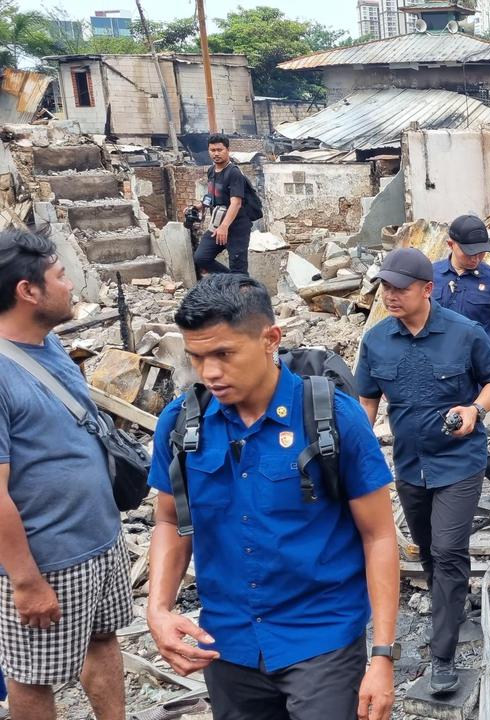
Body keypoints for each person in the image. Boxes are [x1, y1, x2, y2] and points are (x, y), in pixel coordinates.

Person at [147, 274, 399, 719]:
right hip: (227, 644)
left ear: (270, 339)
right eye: (197, 357)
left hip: (320, 640)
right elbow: (170, 520)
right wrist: (158, 608)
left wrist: (382, 656)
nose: (209, 372)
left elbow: (378, 535)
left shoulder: (331, 419)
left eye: (224, 354)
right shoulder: (181, 424)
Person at [354, 248, 490, 695]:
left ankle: (443, 656)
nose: (390, 295)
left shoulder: (464, 333)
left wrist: (476, 409)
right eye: (385, 287)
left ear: (427, 289)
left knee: (449, 550)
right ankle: (451, 604)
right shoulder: (376, 340)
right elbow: (367, 401)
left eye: (400, 288)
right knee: (428, 551)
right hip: (409, 465)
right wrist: (356, 453)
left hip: (460, 461)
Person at [0, 230, 128, 720]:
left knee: (103, 639)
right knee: (33, 677)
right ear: (27, 291)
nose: (71, 285)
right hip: (46, 560)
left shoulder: (49, 345)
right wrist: (26, 582)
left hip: (100, 540)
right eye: (60, 275)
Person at [430, 215, 490, 505]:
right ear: (450, 244)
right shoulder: (431, 277)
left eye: (481, 252)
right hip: (436, 370)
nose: (476, 258)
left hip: (477, 375)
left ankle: (457, 496)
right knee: (446, 430)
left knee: (464, 428)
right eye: (469, 252)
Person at [192, 134, 255, 276]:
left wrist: (224, 226)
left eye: (219, 150)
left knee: (238, 268)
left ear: (228, 150)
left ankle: (240, 284)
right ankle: (230, 280)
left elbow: (236, 203)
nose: (216, 153)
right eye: (212, 150)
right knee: (201, 258)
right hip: (218, 224)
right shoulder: (211, 171)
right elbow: (213, 195)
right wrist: (201, 205)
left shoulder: (234, 173)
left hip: (237, 227)